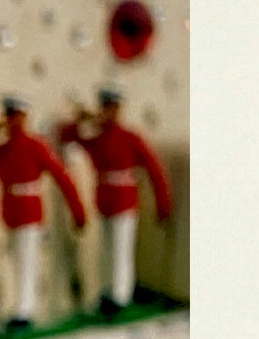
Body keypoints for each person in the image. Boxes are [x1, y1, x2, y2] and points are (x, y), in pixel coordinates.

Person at [0, 94, 87, 332]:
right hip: (10, 209)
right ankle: (15, 307)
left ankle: (25, 310)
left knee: (27, 260)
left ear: (25, 117)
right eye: (8, 115)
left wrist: (77, 210)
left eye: (16, 115)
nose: (12, 120)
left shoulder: (35, 145)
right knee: (11, 260)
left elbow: (62, 177)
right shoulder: (0, 145)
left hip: (30, 208)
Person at [58, 83, 173, 316]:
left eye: (112, 107)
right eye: (105, 107)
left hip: (124, 199)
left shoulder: (130, 137)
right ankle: (108, 292)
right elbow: (66, 135)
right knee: (105, 249)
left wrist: (163, 203)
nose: (109, 111)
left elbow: (154, 170)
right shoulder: (96, 137)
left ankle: (121, 295)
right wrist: (85, 120)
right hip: (105, 200)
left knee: (122, 248)